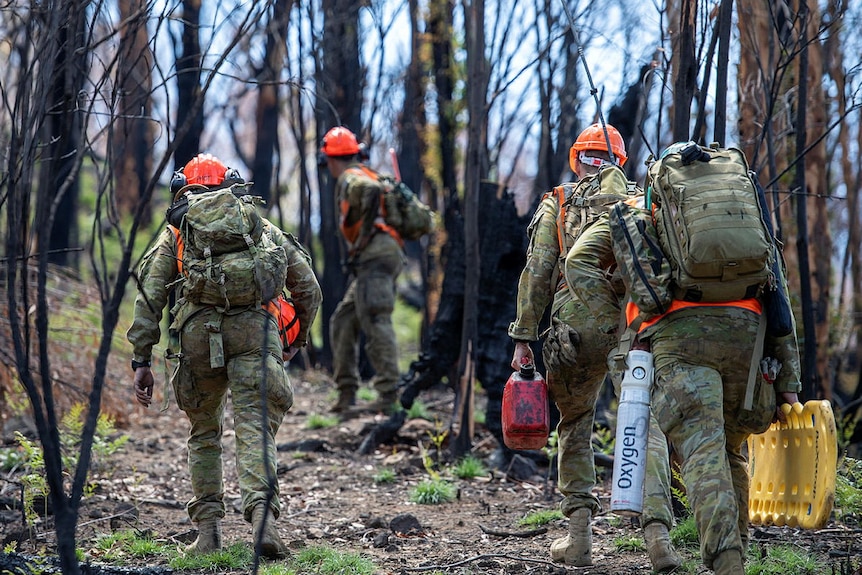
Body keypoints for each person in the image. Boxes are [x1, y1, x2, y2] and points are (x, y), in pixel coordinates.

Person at [564, 143, 802, 575]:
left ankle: (727, 563)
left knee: (702, 450)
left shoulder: (639, 207)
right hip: (747, 334)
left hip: (679, 339)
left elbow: (579, 261)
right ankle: (738, 555)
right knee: (731, 450)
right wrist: (789, 376)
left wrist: (615, 325)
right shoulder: (743, 211)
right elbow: (777, 287)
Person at [127, 153, 322, 558]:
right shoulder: (258, 227)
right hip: (258, 333)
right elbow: (308, 286)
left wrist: (141, 360)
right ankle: (264, 522)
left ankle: (209, 533)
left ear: (181, 189)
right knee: (255, 428)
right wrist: (294, 339)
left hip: (198, 339)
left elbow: (150, 297)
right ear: (230, 185)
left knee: (204, 433)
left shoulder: (177, 233)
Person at [508, 123, 681, 571]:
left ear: (577, 159)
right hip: (634, 324)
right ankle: (659, 539)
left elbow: (539, 269)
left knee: (575, 422)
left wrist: (524, 336)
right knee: (648, 424)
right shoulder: (644, 199)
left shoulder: (560, 201)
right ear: (619, 162)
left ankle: (579, 538)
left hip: (575, 323)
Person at [319, 126, 404, 415]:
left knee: (376, 320)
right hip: (380, 257)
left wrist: (365, 235)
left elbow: (369, 192)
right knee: (343, 320)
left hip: (376, 257)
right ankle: (346, 394)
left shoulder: (351, 176)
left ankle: (389, 397)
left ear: (330, 159)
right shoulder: (364, 172)